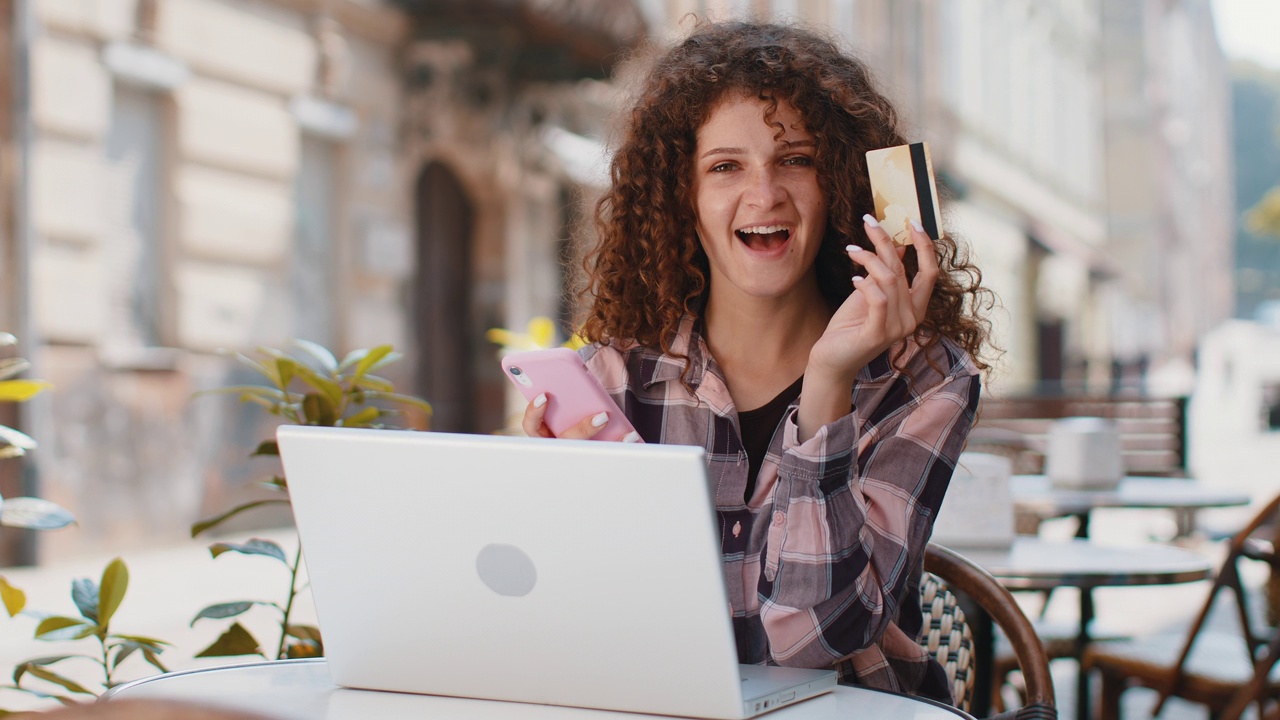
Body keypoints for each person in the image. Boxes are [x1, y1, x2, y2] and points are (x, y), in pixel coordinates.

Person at [522, 19, 991, 704]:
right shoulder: (613, 380)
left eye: (795, 160)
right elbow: (576, 626)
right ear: (682, 197)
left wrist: (829, 386)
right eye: (725, 167)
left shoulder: (923, 382)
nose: (764, 193)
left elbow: (815, 639)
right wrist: (551, 512)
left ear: (838, 186)